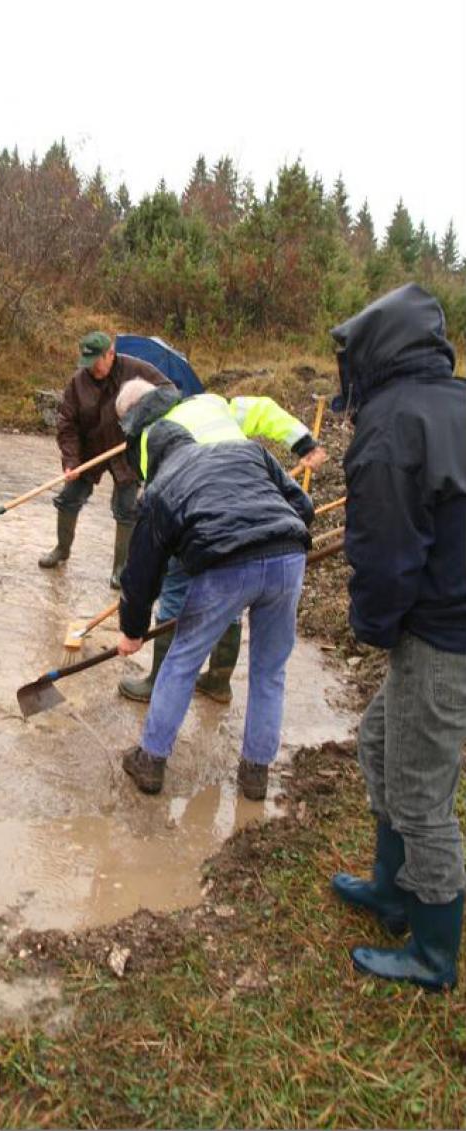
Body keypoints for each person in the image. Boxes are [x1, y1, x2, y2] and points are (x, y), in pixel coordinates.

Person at [328, 283, 466, 992]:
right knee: (380, 741)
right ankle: (390, 889)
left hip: (442, 635)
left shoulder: (389, 427)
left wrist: (373, 628)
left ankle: (435, 951)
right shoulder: (455, 401)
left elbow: (385, 552)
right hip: (445, 616)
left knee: (422, 797)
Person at [114, 379, 314, 801]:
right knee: (269, 672)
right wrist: (277, 543)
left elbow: (142, 570)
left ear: (152, 452)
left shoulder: (162, 486)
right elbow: (304, 508)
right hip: (287, 556)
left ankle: (151, 761)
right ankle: (256, 774)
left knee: (182, 661)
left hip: (226, 567)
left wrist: (131, 630)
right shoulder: (248, 451)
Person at [38, 331, 172, 588]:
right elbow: (66, 424)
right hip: (91, 449)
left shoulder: (135, 369)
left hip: (127, 449)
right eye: (86, 362)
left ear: (110, 354)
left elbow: (168, 393)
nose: (92, 368)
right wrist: (71, 461)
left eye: (96, 362)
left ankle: (121, 569)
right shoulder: (78, 382)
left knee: (126, 509)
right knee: (68, 499)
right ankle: (61, 549)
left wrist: (141, 417)